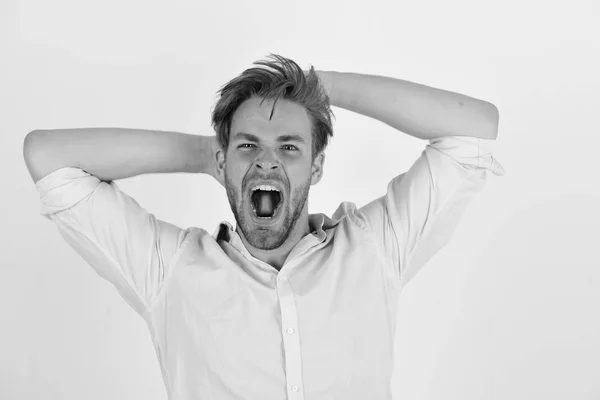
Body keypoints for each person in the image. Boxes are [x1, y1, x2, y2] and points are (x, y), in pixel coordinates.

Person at [23, 54, 505, 400]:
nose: (267, 162)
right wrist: (203, 156)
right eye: (248, 146)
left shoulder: (374, 247)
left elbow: (475, 130)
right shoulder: (169, 272)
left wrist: (316, 85)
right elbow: (47, 157)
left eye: (290, 147)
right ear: (223, 161)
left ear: (316, 168)